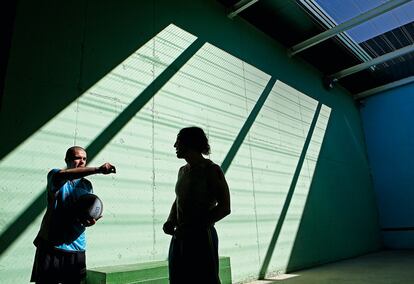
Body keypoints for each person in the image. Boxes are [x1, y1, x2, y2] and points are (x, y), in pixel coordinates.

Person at [30, 146, 116, 284]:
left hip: (77, 247)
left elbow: (86, 212)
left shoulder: (87, 185)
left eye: (84, 159)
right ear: (67, 160)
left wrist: (90, 220)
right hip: (52, 245)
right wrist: (98, 169)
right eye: (77, 158)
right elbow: (66, 175)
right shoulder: (55, 175)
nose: (82, 161)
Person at [163, 127, 231, 284]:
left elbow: (225, 207)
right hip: (179, 237)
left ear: (190, 143)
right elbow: (179, 199)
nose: (174, 145)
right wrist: (170, 220)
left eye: (178, 141)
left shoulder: (212, 170)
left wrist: (195, 227)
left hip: (202, 238)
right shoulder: (182, 171)